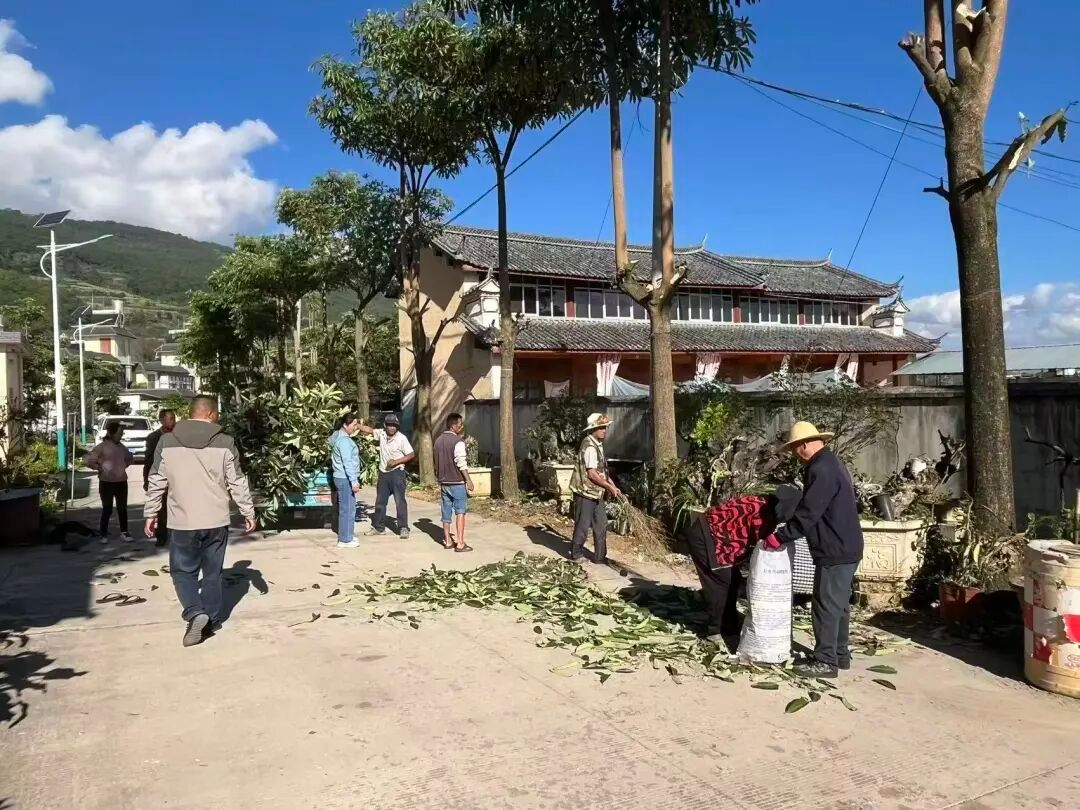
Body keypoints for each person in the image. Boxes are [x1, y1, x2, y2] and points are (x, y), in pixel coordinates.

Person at [144, 395, 257, 648]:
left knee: (183, 572)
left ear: (191, 412)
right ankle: (212, 621)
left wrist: (151, 513)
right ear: (211, 414)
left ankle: (195, 612)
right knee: (212, 573)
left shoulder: (167, 441)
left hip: (182, 521)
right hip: (216, 520)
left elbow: (156, 480)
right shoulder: (226, 442)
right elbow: (237, 481)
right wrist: (248, 512)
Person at [765, 421, 864, 679]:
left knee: (825, 606)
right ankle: (840, 654)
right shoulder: (833, 463)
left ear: (804, 445)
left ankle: (825, 661)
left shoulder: (820, 469)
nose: (795, 455)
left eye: (795, 449)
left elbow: (809, 511)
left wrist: (781, 536)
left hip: (834, 548)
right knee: (839, 605)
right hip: (847, 546)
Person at [683, 486, 800, 650]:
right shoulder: (762, 512)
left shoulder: (764, 505)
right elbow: (759, 544)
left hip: (721, 540)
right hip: (706, 535)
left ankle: (729, 626)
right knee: (721, 583)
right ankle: (713, 632)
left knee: (733, 580)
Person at [568, 413, 620, 564]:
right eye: (601, 428)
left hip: (597, 492)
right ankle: (576, 554)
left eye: (605, 427)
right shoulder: (590, 446)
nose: (604, 430)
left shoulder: (598, 444)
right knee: (583, 524)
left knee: (601, 524)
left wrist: (613, 485)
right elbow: (592, 474)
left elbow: (601, 470)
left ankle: (600, 556)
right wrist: (609, 487)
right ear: (593, 429)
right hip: (585, 492)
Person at [358, 414, 415, 538]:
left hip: (397, 473)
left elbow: (411, 454)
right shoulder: (382, 434)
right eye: (389, 425)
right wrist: (356, 425)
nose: (392, 428)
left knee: (400, 501)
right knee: (380, 502)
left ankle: (403, 528)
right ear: (385, 425)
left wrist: (397, 461)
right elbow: (370, 430)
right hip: (383, 473)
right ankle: (379, 527)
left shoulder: (401, 438)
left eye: (394, 425)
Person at [85, 422, 134, 542]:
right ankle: (103, 534)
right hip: (106, 482)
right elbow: (89, 460)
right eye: (119, 433)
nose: (120, 436)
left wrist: (122, 466)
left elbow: (129, 458)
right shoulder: (101, 447)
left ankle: (124, 532)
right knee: (107, 508)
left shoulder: (122, 447)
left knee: (122, 508)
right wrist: (98, 468)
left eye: (122, 433)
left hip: (121, 481)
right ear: (111, 433)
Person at [433, 412, 475, 552]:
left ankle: (447, 540)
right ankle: (460, 543)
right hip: (457, 482)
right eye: (460, 424)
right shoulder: (458, 442)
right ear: (453, 425)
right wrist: (468, 480)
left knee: (446, 512)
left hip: (444, 482)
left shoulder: (438, 441)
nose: (461, 427)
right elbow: (461, 462)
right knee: (460, 512)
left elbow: (436, 462)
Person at [143, 409, 177, 547]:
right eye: (170, 418)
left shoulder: (179, 435)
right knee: (161, 510)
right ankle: (161, 536)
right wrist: (147, 480)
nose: (173, 421)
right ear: (162, 420)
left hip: (177, 478)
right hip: (160, 476)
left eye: (174, 418)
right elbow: (148, 460)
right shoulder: (154, 437)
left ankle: (177, 535)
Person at [330, 412, 362, 548]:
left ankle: (347, 535)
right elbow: (347, 462)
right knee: (347, 509)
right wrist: (354, 481)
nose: (355, 427)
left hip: (341, 477)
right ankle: (345, 539)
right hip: (345, 478)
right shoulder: (344, 441)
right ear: (345, 425)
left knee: (347, 508)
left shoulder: (337, 436)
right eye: (353, 425)